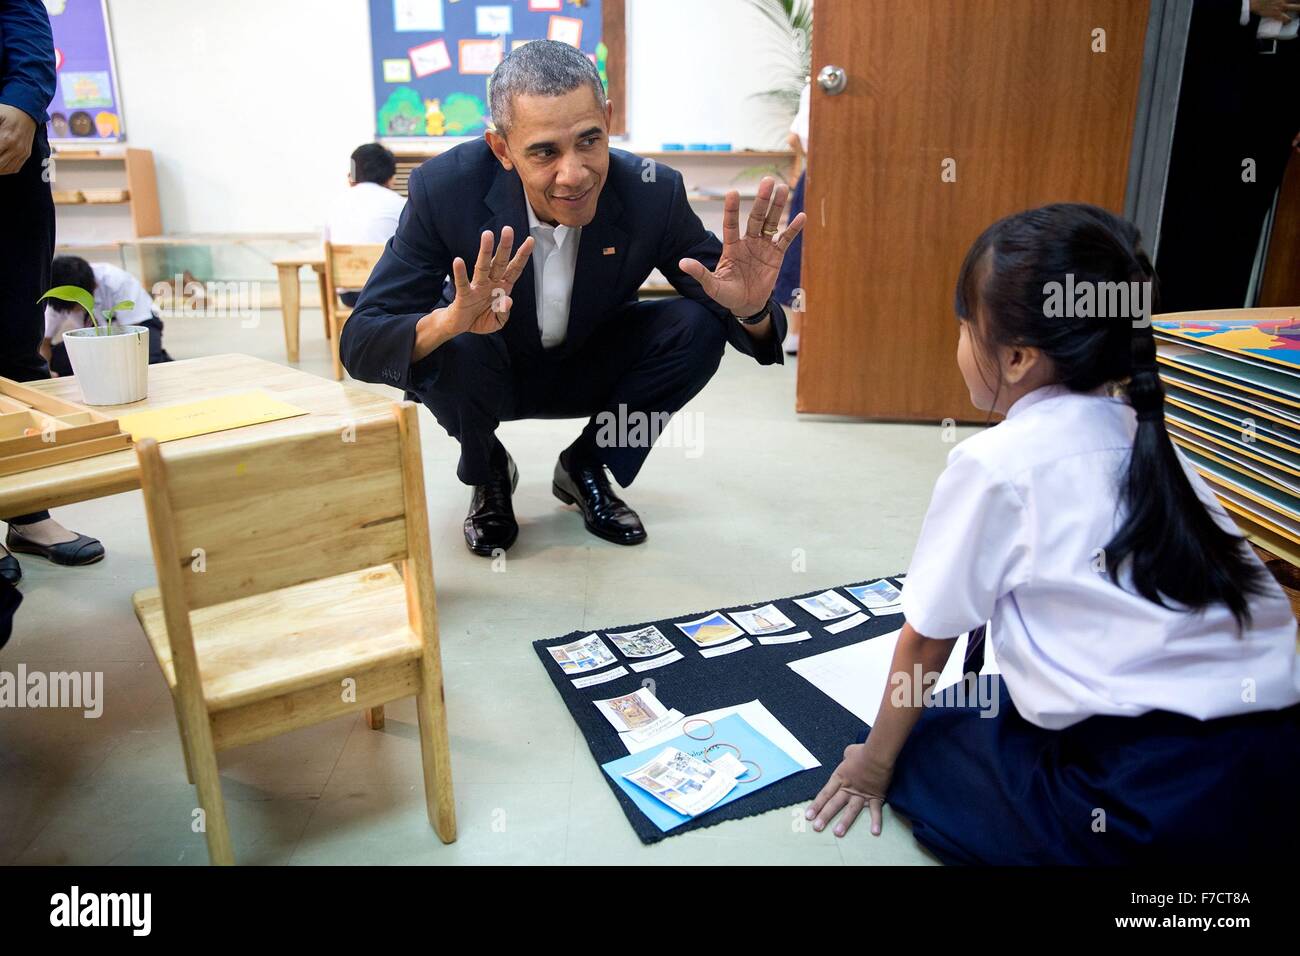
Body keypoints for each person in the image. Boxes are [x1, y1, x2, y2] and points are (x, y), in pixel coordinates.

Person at [807, 204, 1300, 864]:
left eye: (962, 328)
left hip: (1147, 800)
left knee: (930, 743)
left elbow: (927, 638)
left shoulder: (996, 465)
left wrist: (873, 763)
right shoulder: (1151, 437)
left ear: (1014, 357)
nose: (956, 344)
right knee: (989, 704)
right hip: (1278, 768)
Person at [341, 40, 804, 556]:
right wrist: (447, 322)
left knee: (695, 327)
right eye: (544, 152)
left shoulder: (652, 191)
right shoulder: (445, 190)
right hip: (489, 373)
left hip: (590, 366)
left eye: (590, 140)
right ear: (501, 148)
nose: (575, 173)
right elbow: (361, 340)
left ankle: (588, 463)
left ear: (607, 119)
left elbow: (739, 312)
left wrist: (751, 309)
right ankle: (489, 470)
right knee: (448, 342)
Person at [0, 0, 104, 585]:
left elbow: (25, 21)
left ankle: (27, 510)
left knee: (17, 338)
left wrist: (24, 98)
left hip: (10, 151)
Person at [1155, 0, 1300, 311]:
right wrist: (1246, 4)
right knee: (1184, 229)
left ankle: (1208, 345)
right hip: (1199, 90)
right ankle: (1157, 339)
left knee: (1239, 236)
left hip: (1278, 96)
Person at [43, 255, 173, 376]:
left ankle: (160, 359)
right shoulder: (57, 294)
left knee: (143, 365)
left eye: (77, 306)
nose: (76, 311)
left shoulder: (116, 281)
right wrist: (48, 371)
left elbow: (132, 335)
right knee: (55, 360)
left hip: (139, 324)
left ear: (94, 286)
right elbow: (44, 342)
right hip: (95, 335)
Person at [324, 142, 408, 307]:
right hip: (390, 293)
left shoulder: (336, 204)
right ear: (391, 178)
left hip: (350, 295)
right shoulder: (400, 204)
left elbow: (324, 250)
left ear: (353, 174)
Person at [774, 80, 809, 355]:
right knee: (800, 255)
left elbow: (794, 138)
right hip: (819, 176)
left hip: (813, 174)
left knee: (800, 255)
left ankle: (798, 333)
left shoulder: (814, 88)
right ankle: (799, 333)